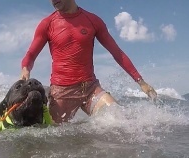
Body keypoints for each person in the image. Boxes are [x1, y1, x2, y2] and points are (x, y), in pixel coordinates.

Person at [20, 0, 157, 123]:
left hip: (91, 88)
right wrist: (26, 69)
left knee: (119, 120)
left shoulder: (92, 20)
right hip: (62, 92)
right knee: (57, 140)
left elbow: (117, 53)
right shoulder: (47, 24)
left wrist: (140, 81)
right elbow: (31, 54)